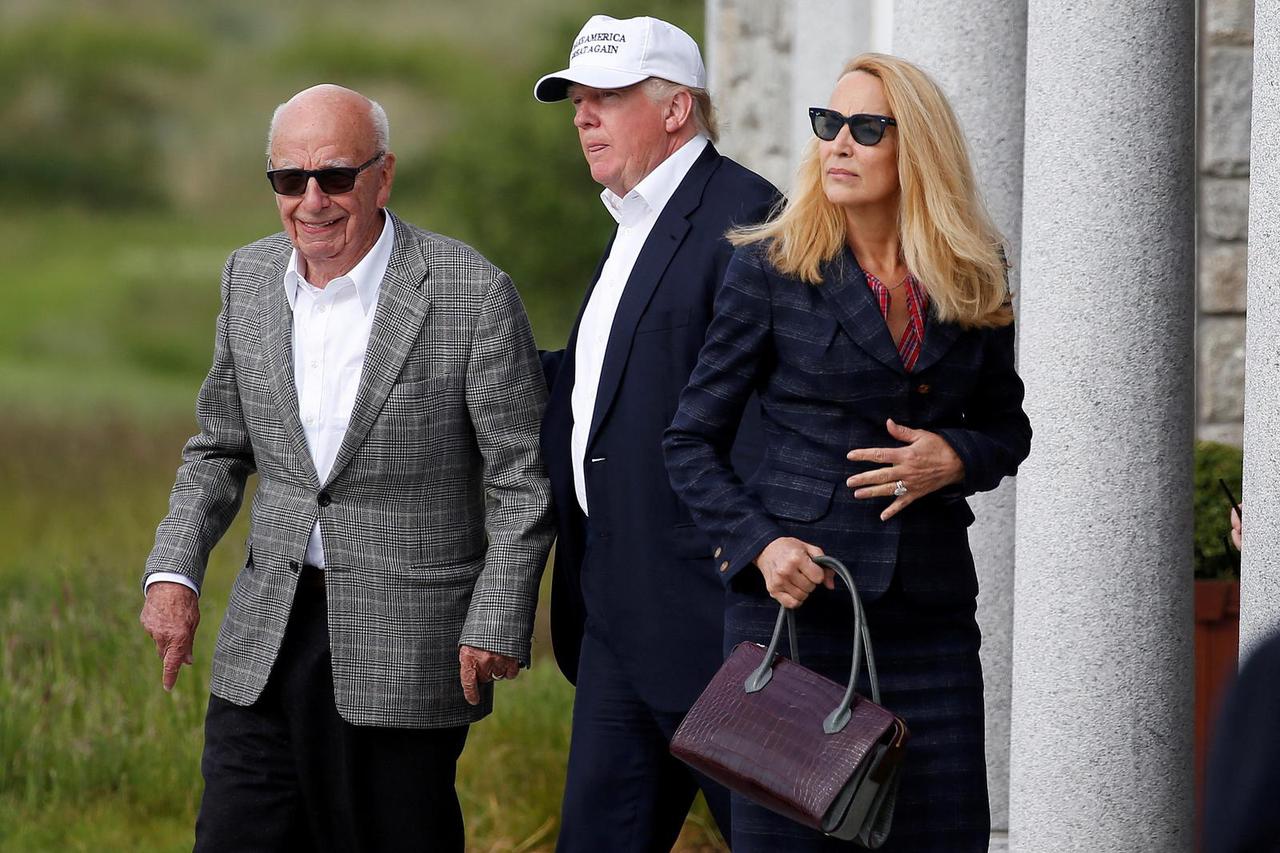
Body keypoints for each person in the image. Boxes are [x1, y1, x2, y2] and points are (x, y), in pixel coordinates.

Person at [138, 84, 553, 852]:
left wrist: (498, 616)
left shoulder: (473, 292)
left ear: (383, 176)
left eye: (335, 176)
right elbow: (218, 448)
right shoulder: (248, 278)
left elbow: (519, 481)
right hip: (267, 636)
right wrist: (174, 571)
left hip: (407, 648)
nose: (312, 200)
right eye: (288, 181)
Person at [663, 54, 1032, 851]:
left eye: (867, 129)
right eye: (829, 125)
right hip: (797, 618)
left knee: (945, 836)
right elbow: (689, 440)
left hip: (930, 623)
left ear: (918, 150)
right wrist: (762, 544)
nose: (839, 144)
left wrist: (954, 455)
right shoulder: (770, 267)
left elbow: (1009, 427)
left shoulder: (972, 273)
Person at [533, 15, 778, 850]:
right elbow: (598, 391)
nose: (582, 115)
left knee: (776, 838)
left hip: (714, 623)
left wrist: (740, 558)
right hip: (616, 614)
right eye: (576, 99)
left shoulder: (748, 220)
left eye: (606, 96)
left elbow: (772, 410)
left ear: (677, 109)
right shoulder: (633, 220)